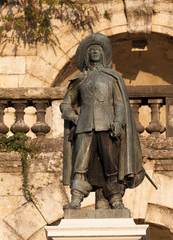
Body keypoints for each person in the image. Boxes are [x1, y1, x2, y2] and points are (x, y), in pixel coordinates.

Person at [60, 33, 145, 210]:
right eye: (91, 50)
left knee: (111, 164)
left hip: (107, 125)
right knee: (80, 165)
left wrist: (118, 121)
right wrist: (74, 117)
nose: (95, 53)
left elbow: (119, 104)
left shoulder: (112, 78)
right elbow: (65, 104)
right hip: (84, 126)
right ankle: (76, 199)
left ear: (104, 55)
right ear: (87, 56)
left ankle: (116, 199)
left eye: (98, 50)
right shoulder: (79, 80)